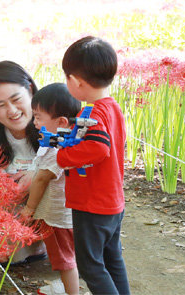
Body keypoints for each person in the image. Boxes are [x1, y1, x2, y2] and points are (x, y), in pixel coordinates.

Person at [57, 36, 130, 294]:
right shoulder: (112, 108)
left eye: (67, 78)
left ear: (76, 81)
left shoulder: (94, 113)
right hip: (112, 201)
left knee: (90, 267)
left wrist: (64, 157)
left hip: (92, 204)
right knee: (112, 260)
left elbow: (98, 147)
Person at [0, 60, 46, 264]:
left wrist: (37, 175)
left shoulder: (54, 124)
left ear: (30, 90)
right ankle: (31, 248)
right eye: (0, 105)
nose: (12, 110)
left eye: (16, 99)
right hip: (19, 207)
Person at [19, 83, 80, 295]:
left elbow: (41, 179)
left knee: (64, 260)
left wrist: (28, 209)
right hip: (66, 213)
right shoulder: (61, 140)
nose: (33, 122)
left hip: (56, 218)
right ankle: (66, 288)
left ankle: (72, 292)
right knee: (69, 256)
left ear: (61, 122)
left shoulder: (56, 149)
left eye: (38, 117)